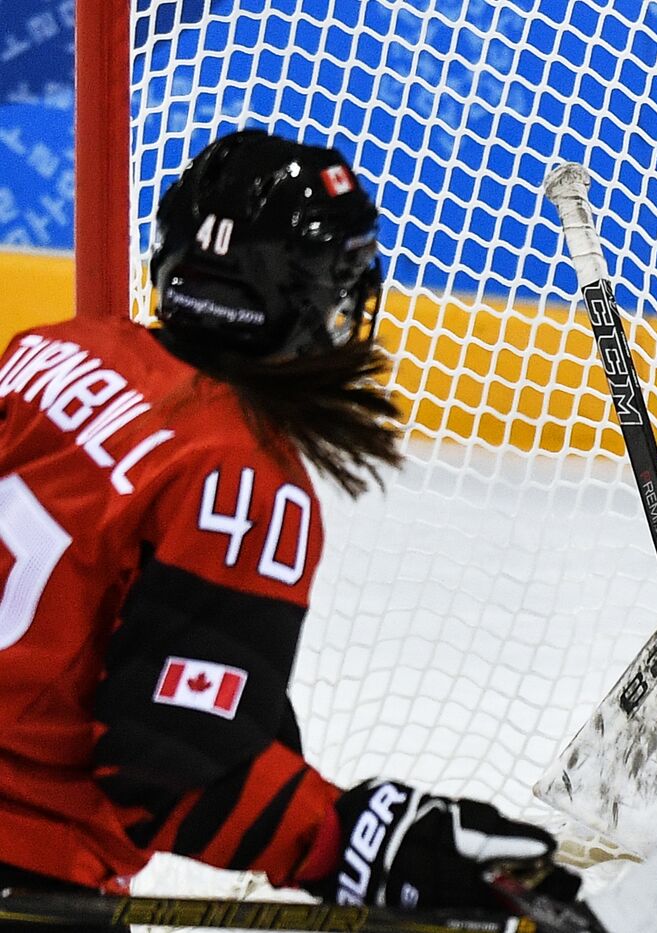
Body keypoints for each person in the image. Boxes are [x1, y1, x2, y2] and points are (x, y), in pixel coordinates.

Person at [0, 130, 575, 922]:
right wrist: (360, 840)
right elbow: (165, 767)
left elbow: (112, 624)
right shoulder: (241, 476)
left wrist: (263, 739)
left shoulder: (51, 351)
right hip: (28, 864)